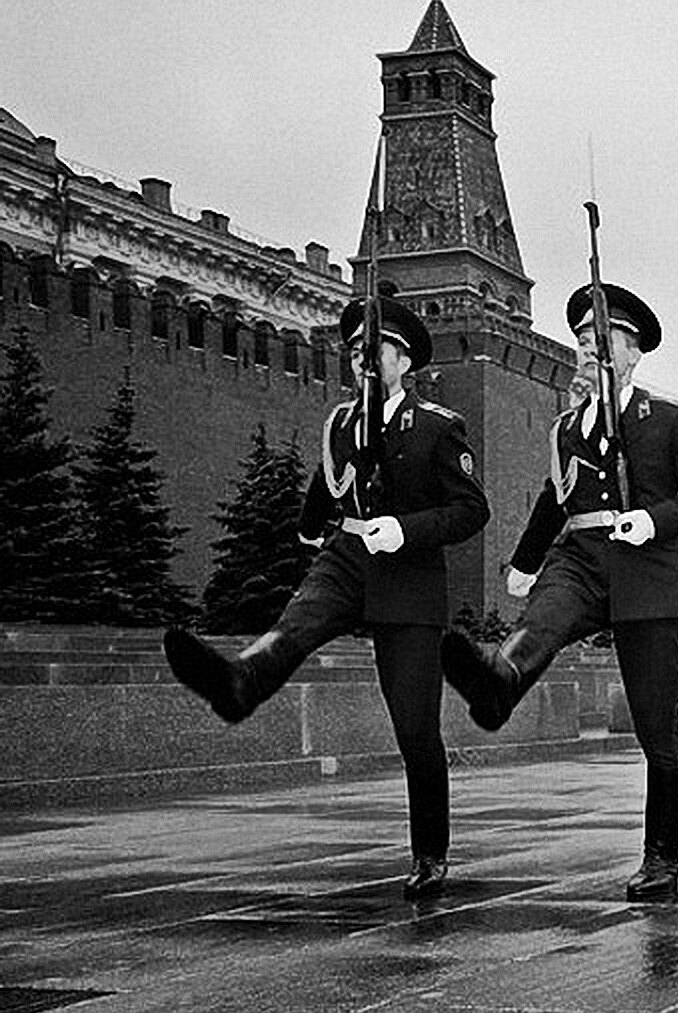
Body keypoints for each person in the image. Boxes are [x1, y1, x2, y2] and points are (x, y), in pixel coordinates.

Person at [164, 296, 490, 900]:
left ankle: (429, 852)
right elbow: (328, 480)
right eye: (356, 353)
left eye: (375, 352)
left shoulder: (439, 427)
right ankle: (240, 683)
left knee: (415, 729)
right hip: (347, 557)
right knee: (295, 626)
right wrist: (310, 531)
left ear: (403, 360)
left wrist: (406, 529)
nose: (363, 362)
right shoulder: (342, 423)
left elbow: (473, 509)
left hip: (409, 576)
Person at [439, 282, 678, 903]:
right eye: (584, 341)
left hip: (648, 571)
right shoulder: (569, 425)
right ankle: (500, 678)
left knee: (659, 730)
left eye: (605, 341)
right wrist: (524, 560)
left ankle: (661, 857)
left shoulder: (665, 420)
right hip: (584, 557)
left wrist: (652, 519)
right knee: (542, 620)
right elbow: (555, 495)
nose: (592, 350)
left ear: (633, 354)